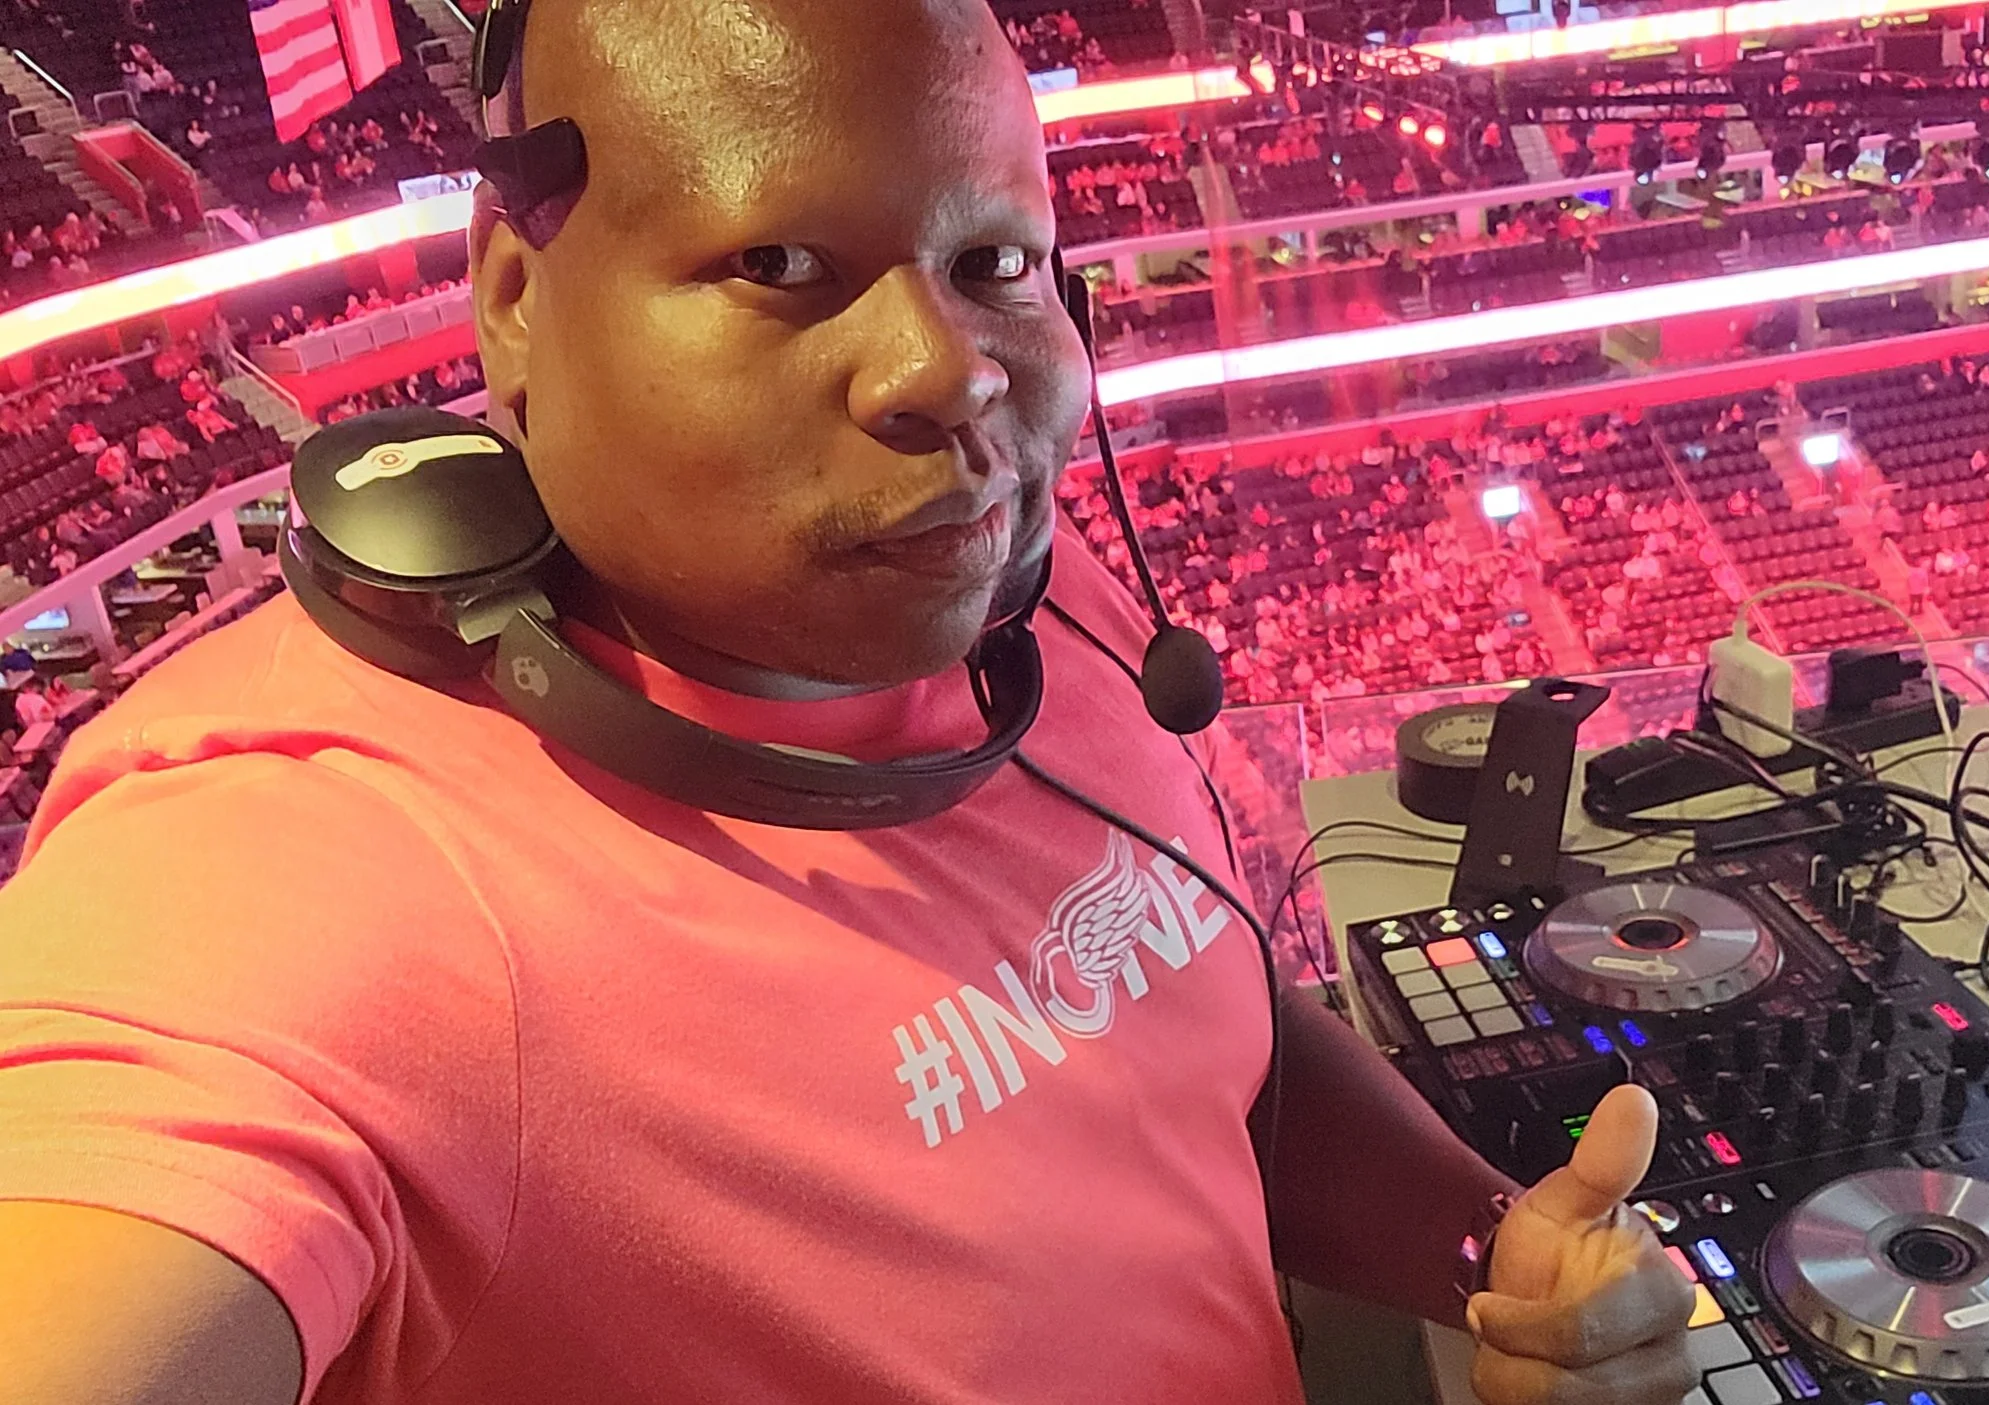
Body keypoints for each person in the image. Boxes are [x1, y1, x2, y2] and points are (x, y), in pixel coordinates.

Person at [0, 3, 1696, 1404]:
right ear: (514, 300)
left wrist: (1493, 1258)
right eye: (783, 259)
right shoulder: (301, 860)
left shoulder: (1009, 585)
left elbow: (1178, 1022)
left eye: (997, 262)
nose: (943, 370)